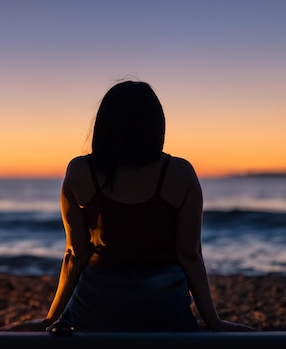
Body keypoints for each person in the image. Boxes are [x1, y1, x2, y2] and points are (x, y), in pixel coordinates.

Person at [41, 80, 255, 334]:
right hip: (163, 306)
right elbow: (189, 255)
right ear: (156, 125)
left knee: (70, 320)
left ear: (104, 125)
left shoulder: (80, 170)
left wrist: (50, 317)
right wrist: (213, 321)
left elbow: (75, 254)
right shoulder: (180, 173)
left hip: (98, 306)